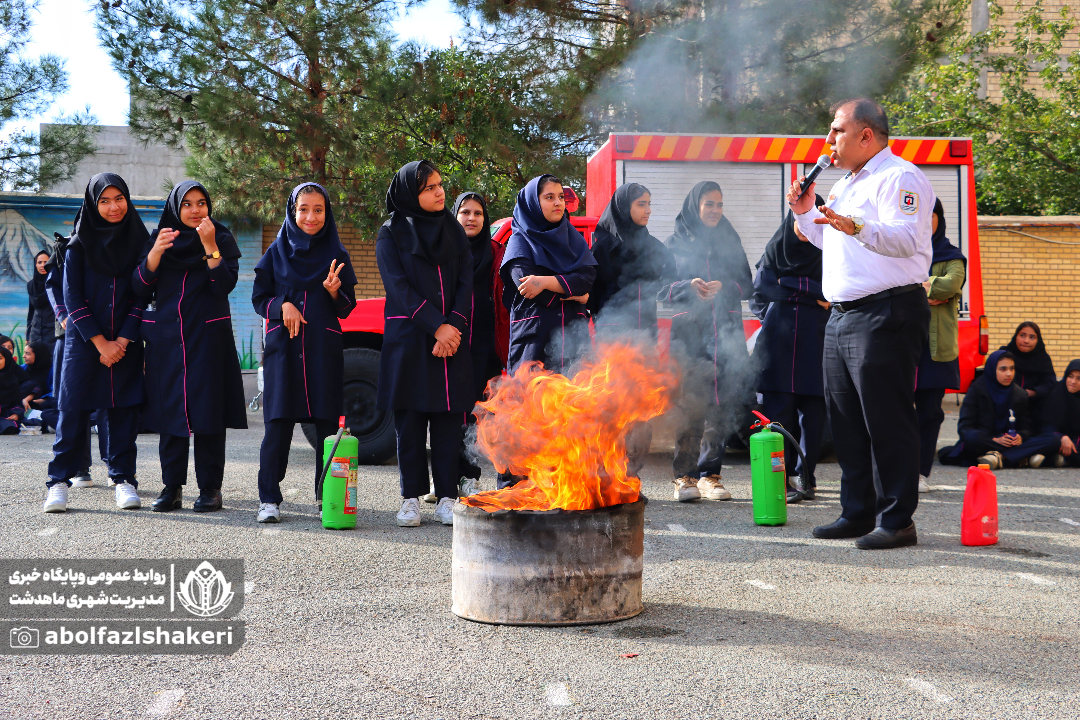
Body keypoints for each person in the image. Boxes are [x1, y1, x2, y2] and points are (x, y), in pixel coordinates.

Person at [786, 98, 933, 550]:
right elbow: (822, 235)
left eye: (837, 131)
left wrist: (856, 226)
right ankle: (856, 512)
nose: (829, 140)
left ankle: (897, 520)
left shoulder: (900, 177)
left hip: (886, 311)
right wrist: (807, 211)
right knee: (846, 421)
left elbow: (906, 239)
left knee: (886, 420)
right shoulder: (847, 182)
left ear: (865, 135)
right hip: (843, 315)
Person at [134, 181, 248, 513]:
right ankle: (172, 487)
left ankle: (211, 488)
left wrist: (210, 244)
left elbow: (222, 285)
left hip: (208, 340)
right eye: (187, 204)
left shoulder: (221, 237)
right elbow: (139, 288)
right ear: (174, 207)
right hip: (168, 340)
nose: (195, 210)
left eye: (201, 203)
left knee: (208, 413)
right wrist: (155, 253)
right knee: (171, 412)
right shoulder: (159, 239)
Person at [252, 182, 357, 524]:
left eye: (318, 210)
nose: (310, 216)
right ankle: (269, 498)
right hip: (284, 350)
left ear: (327, 214)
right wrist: (282, 305)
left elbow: (345, 308)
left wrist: (333, 292)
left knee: (327, 425)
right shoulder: (275, 252)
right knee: (277, 424)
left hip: (321, 351)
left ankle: (327, 497)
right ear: (292, 210)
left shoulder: (337, 255)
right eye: (303, 209)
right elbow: (259, 299)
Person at [42, 173, 147, 514]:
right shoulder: (78, 245)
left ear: (127, 199)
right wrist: (102, 343)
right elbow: (72, 298)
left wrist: (123, 339)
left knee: (122, 412)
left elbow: (142, 296)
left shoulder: (138, 242)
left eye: (119, 198)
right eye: (104, 200)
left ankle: (123, 480)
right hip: (85, 342)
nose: (113, 206)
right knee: (72, 411)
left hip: (125, 342)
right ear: (92, 204)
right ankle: (58, 483)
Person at [377, 161, 474, 527]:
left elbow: (465, 282)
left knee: (449, 420)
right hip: (411, 337)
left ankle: (448, 496)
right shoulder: (390, 233)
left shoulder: (453, 230)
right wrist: (437, 327)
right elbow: (398, 288)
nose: (439, 192)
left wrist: (454, 327)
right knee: (411, 422)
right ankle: (410, 498)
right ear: (409, 194)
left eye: (439, 184)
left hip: (451, 338)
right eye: (429, 187)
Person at [661, 181, 753, 503]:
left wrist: (725, 285)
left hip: (726, 334)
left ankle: (710, 475)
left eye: (719, 204)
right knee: (691, 405)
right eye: (709, 204)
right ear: (694, 207)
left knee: (720, 406)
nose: (715, 211)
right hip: (689, 338)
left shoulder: (730, 240)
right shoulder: (674, 243)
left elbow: (748, 285)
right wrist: (690, 286)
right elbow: (662, 288)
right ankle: (683, 476)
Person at [587, 182, 677, 477]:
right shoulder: (602, 247)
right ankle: (606, 476)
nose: (648, 210)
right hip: (611, 341)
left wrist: (690, 287)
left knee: (641, 411)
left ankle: (630, 477)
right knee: (612, 410)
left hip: (645, 339)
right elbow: (589, 295)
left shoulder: (655, 249)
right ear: (624, 207)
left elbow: (671, 285)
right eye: (641, 204)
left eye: (649, 203)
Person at [751, 198, 829, 504]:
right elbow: (763, 291)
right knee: (776, 415)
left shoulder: (830, 251)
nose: (807, 226)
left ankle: (806, 479)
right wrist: (812, 293)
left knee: (814, 415)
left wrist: (790, 288)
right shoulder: (775, 249)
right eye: (801, 217)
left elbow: (834, 292)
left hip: (816, 342)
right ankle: (777, 478)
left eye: (813, 218)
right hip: (778, 343)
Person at [500, 175, 596, 375]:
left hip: (574, 343)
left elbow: (586, 279)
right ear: (533, 203)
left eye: (561, 197)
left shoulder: (572, 240)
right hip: (535, 344)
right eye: (549, 197)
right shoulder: (520, 242)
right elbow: (530, 288)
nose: (558, 203)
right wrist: (576, 293)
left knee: (574, 402)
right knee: (531, 402)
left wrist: (544, 281)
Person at [44, 233, 109, 488]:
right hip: (70, 336)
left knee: (108, 400)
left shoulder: (118, 243)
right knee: (72, 401)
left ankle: (113, 466)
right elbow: (53, 285)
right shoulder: (65, 246)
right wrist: (63, 317)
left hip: (106, 335)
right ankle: (80, 467)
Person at [914, 199, 966, 493]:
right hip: (904, 342)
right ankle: (898, 469)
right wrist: (928, 290)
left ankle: (921, 473)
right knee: (897, 412)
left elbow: (951, 285)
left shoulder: (953, 256)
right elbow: (893, 285)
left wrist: (920, 285)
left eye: (930, 216)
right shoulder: (906, 252)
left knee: (929, 413)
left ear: (939, 218)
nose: (924, 221)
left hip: (936, 348)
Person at [452, 191, 501, 498]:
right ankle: (444, 476)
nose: (472, 218)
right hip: (450, 341)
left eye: (478, 213)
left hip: (484, 342)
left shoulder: (496, 250)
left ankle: (470, 476)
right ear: (455, 216)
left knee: (475, 413)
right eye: (465, 212)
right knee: (447, 413)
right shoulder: (445, 249)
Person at [938, 350, 1061, 469]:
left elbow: (1026, 427)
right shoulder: (977, 390)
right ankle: (1022, 457)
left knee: (1053, 439)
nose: (1009, 374)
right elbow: (965, 428)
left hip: (1011, 443)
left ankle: (999, 457)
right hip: (987, 441)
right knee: (971, 438)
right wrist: (995, 440)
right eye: (1003, 369)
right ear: (992, 370)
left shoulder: (1019, 394)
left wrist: (1020, 436)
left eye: (1012, 368)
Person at [1001, 322, 1056, 421]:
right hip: (1004, 405)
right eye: (1022, 335)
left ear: (1037, 340)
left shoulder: (1043, 359)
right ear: (1015, 336)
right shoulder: (1004, 355)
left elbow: (1050, 383)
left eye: (1032, 337)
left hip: (1034, 409)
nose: (1026, 341)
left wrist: (1032, 392)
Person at [1042, 359, 1080, 467]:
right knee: (1052, 441)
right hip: (1056, 439)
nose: (1073, 381)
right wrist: (1062, 437)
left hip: (1075, 443)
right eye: (1070, 376)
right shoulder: (1057, 394)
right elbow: (1047, 427)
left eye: (1079, 378)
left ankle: (1060, 459)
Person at [26, 250, 56, 346]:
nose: (42, 265)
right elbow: (31, 311)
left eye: (46, 262)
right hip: (35, 332)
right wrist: (28, 335)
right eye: (39, 262)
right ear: (35, 265)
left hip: (53, 332)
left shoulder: (56, 283)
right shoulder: (31, 285)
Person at [0, 346, 30, 435]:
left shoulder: (12, 380)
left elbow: (17, 402)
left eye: (0, 358)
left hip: (6, 415)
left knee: (10, 426)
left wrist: (16, 414)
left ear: (7, 360)